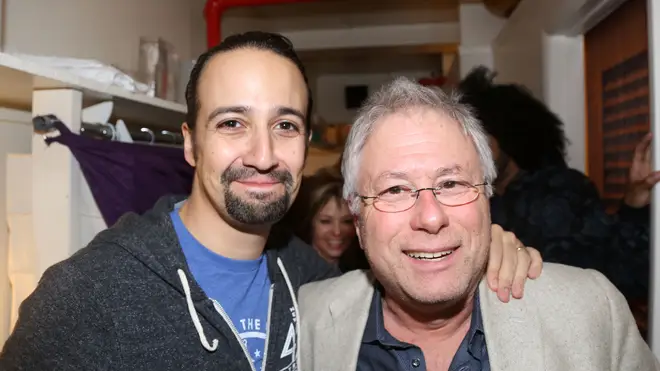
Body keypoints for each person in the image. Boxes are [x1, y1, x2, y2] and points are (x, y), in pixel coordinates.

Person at [0, 32, 541, 371]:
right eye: (232, 123)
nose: (262, 155)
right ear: (191, 142)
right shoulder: (85, 298)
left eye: (284, 125)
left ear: (305, 145)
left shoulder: (312, 280)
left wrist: (482, 246)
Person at [299, 77, 658, 371]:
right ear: (358, 221)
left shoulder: (591, 312)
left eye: (451, 184)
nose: (431, 216)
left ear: (488, 200)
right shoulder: (306, 321)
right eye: (395, 189)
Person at [458, 66, 658, 301]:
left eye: (483, 141)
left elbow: (613, 275)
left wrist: (634, 206)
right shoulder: (479, 195)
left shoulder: (561, 192)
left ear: (509, 138)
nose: (474, 151)